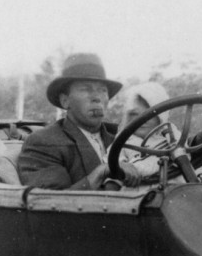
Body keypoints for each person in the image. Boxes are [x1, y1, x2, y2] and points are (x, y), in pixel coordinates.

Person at [18, 53, 140, 190]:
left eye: (102, 90)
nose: (97, 97)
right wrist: (102, 171)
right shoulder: (44, 142)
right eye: (85, 89)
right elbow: (52, 204)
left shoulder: (121, 138)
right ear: (65, 101)